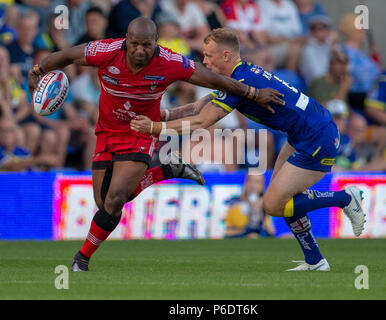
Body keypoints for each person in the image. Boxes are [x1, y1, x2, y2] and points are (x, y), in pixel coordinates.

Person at [27, 17, 283, 271]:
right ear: (126, 40)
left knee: (115, 200)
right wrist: (38, 71)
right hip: (106, 132)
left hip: (141, 132)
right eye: (135, 44)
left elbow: (211, 79)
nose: (140, 50)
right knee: (103, 203)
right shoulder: (106, 50)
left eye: (146, 45)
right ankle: (168, 170)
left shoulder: (170, 62)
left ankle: (81, 259)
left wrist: (252, 93)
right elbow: (67, 56)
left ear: (156, 42)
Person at [131, 27, 367, 271]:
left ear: (225, 56)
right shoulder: (239, 77)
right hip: (303, 133)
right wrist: (162, 114)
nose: (204, 60)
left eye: (209, 55)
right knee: (281, 199)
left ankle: (346, 197)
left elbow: (202, 121)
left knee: (273, 204)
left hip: (318, 137)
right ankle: (315, 261)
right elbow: (198, 107)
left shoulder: (240, 81)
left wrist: (155, 128)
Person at [225, 173, 274, 238]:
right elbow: (227, 232)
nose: (253, 185)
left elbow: (270, 231)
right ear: (245, 183)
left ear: (262, 187)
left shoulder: (265, 205)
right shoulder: (234, 203)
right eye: (250, 181)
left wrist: (260, 211)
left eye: (257, 182)